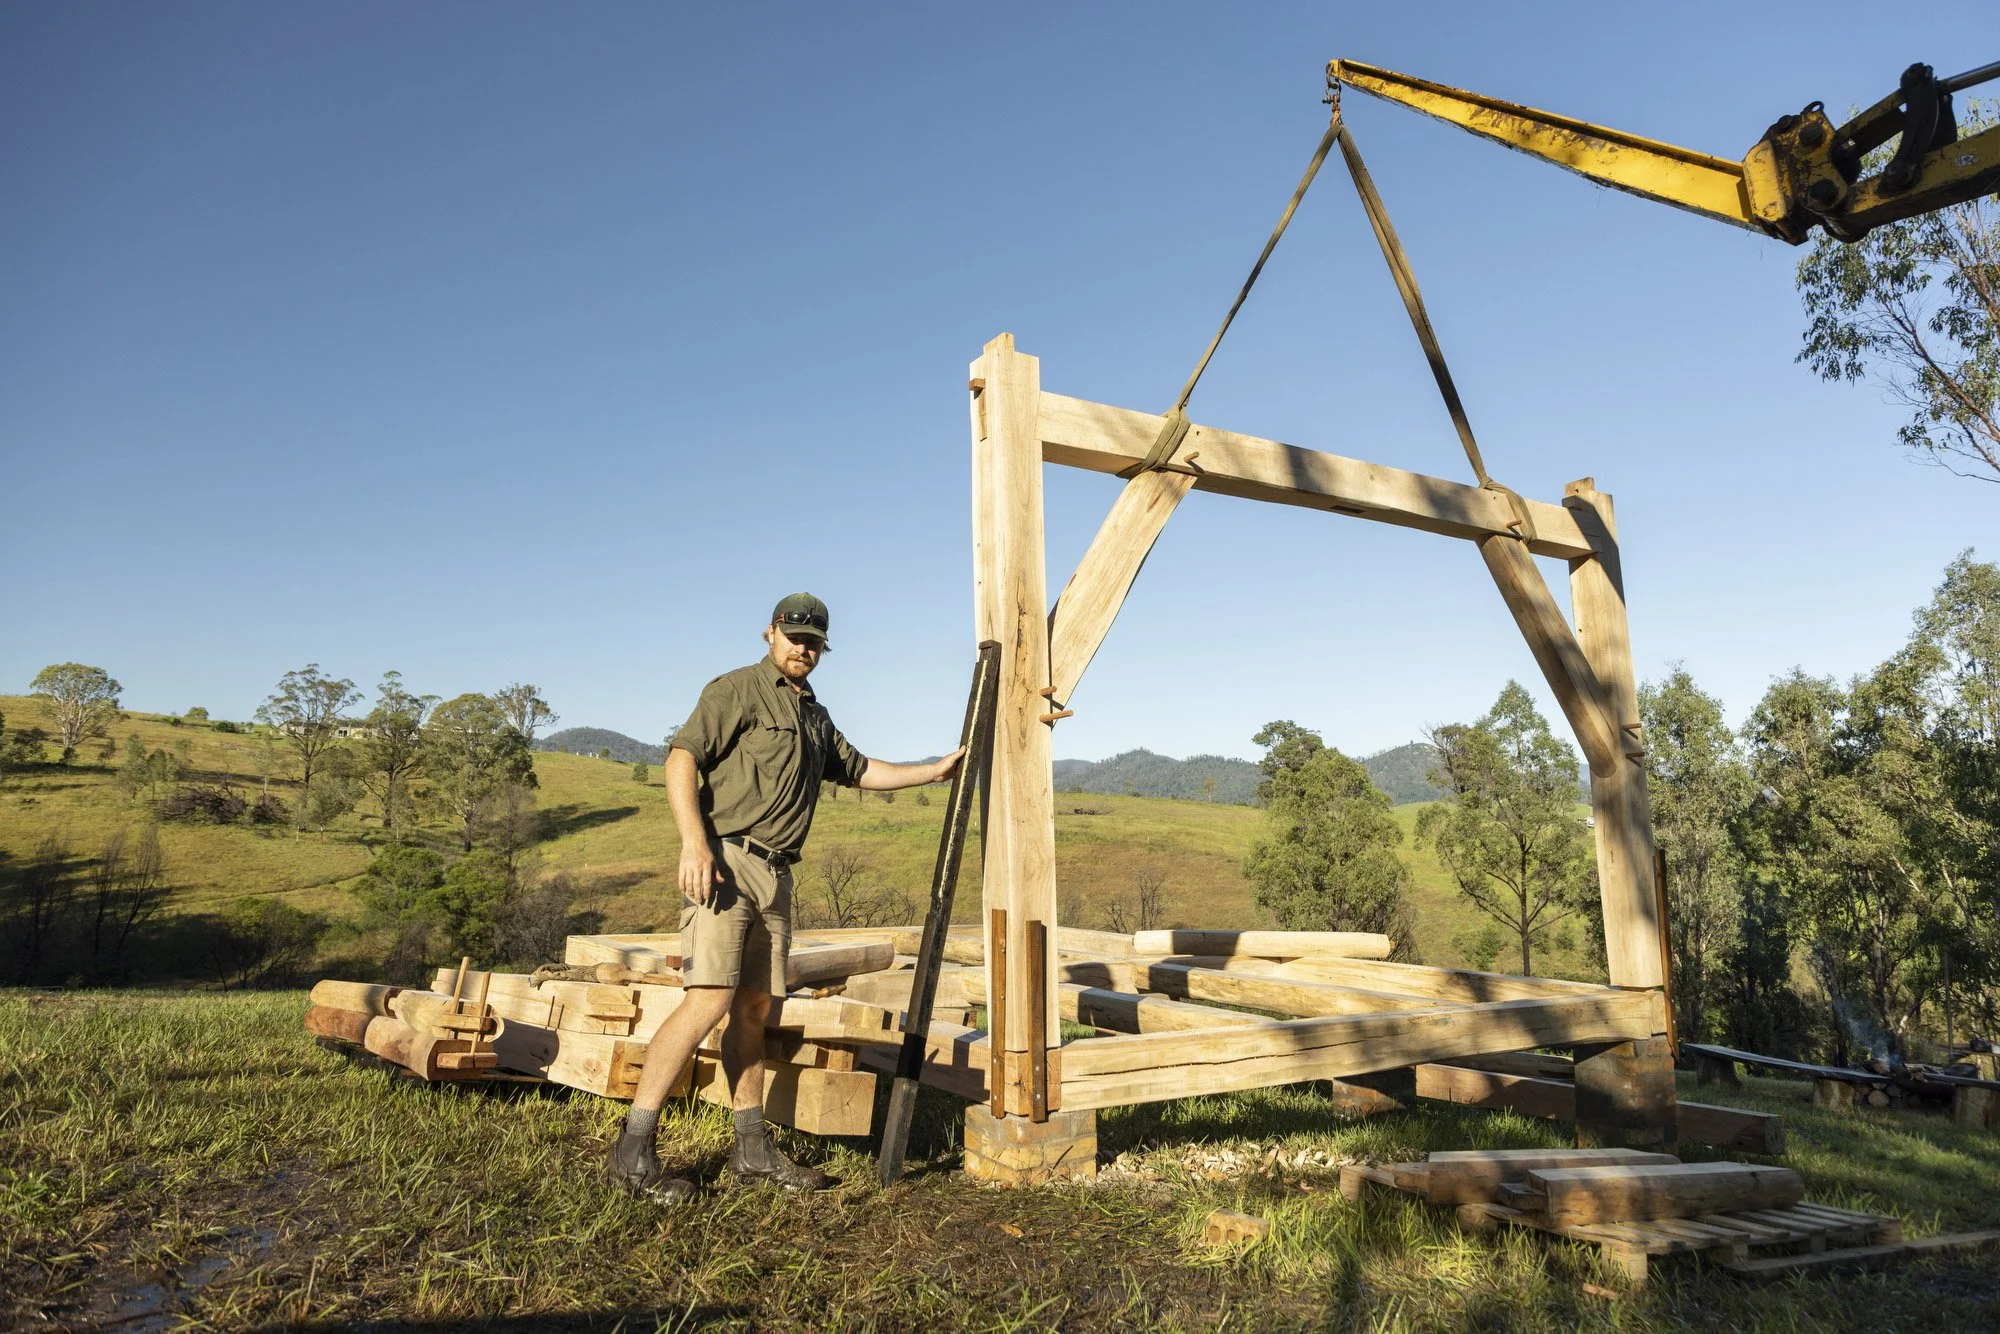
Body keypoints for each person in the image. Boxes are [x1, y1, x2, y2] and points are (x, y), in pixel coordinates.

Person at [605, 593, 963, 1202]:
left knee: (754, 1009)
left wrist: (932, 770)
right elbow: (681, 756)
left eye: (815, 641)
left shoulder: (815, 716)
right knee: (708, 999)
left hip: (777, 875)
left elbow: (859, 769)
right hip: (725, 862)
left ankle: (751, 1150)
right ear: (770, 633)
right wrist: (694, 843)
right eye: (794, 635)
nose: (804, 647)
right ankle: (632, 1154)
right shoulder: (737, 690)